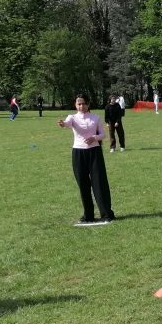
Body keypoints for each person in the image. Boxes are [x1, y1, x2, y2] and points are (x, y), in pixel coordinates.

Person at [58, 94, 115, 226]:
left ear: (88, 104)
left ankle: (106, 214)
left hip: (94, 152)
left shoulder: (95, 117)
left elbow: (103, 134)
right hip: (78, 153)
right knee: (83, 184)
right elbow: (67, 123)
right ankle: (88, 215)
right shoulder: (72, 117)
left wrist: (94, 138)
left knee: (99, 183)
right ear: (75, 105)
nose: (81, 106)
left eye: (83, 103)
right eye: (79, 104)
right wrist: (62, 124)